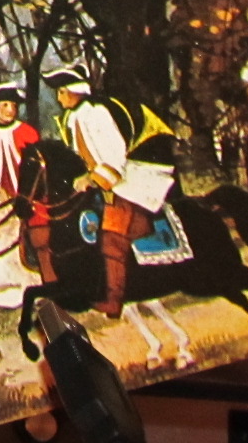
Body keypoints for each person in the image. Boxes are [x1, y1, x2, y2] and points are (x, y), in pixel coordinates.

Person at [44, 65, 176, 317]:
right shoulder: (72, 119)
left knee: (112, 238)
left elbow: (116, 156)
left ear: (74, 91)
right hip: (97, 187)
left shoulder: (97, 114)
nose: (59, 99)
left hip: (121, 185)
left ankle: (114, 299)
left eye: (61, 92)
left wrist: (93, 178)